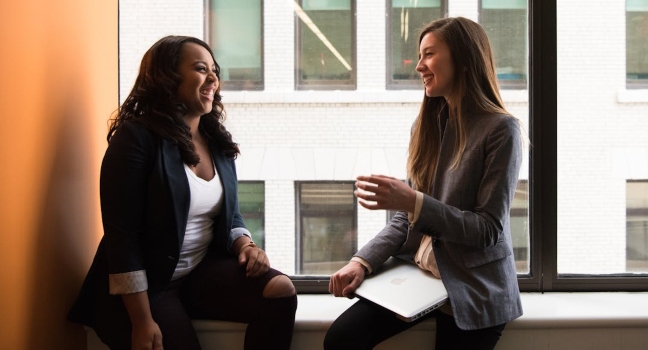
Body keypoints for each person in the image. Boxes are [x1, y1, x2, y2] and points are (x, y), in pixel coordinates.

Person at [68, 35, 297, 350]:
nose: (214, 78)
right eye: (202, 69)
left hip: (198, 273)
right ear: (167, 77)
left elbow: (229, 213)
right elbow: (123, 239)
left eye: (214, 70)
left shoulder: (216, 140)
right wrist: (141, 321)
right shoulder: (135, 138)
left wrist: (247, 244)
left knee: (280, 290)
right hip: (147, 289)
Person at [324, 17, 524, 350]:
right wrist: (361, 262)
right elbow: (406, 219)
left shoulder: (502, 130)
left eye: (429, 54)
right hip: (420, 278)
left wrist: (414, 202)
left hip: (474, 286)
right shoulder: (427, 124)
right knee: (341, 339)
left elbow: (487, 230)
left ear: (463, 59)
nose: (419, 66)